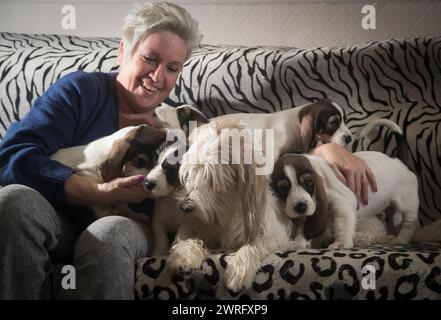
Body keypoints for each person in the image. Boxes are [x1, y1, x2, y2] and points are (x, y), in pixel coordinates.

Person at [0, 2, 376, 300]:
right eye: (150, 58)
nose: (158, 76)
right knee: (13, 200)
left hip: (136, 224)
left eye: (172, 67)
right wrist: (94, 191)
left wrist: (325, 150)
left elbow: (251, 163)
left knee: (109, 232)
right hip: (58, 216)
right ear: (123, 51)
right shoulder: (80, 91)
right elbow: (11, 157)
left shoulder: (184, 124)